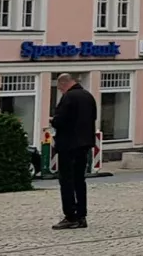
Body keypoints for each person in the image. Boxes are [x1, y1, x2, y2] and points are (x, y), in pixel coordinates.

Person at [50, 73, 98, 229]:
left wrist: (53, 120)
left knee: (66, 181)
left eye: (60, 88)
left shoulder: (68, 98)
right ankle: (82, 215)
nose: (60, 91)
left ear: (64, 84)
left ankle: (70, 216)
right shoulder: (88, 96)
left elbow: (60, 121)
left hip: (68, 145)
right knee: (79, 180)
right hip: (84, 144)